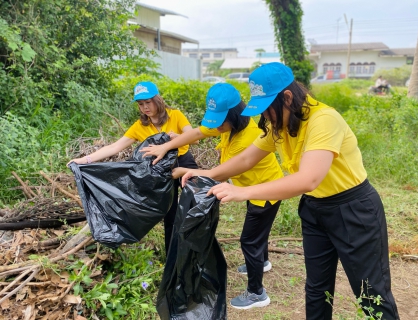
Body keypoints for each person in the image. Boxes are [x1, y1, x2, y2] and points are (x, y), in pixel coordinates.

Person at [181, 63, 400, 319]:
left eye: (268, 111)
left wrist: (244, 192)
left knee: (370, 292)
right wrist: (206, 174)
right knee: (317, 288)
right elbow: (245, 160)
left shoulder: (323, 120)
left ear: (287, 98)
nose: (266, 119)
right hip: (315, 211)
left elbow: (308, 179)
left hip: (353, 211)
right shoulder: (281, 126)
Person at [142, 83, 284, 310]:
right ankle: (262, 261)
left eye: (220, 121)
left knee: (250, 240)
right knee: (257, 234)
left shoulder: (247, 139)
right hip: (251, 186)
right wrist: (166, 146)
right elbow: (198, 132)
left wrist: (181, 172)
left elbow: (221, 173)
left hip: (264, 192)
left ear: (234, 116)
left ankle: (257, 293)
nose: (215, 126)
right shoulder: (226, 126)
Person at [67, 81, 198, 254]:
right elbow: (115, 147)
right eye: (141, 104)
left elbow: (195, 138)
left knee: (196, 204)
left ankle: (198, 247)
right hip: (159, 170)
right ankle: (172, 257)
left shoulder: (175, 115)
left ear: (157, 99)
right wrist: (85, 159)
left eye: (148, 102)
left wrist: (178, 137)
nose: (145, 107)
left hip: (183, 160)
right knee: (170, 213)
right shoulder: (140, 126)